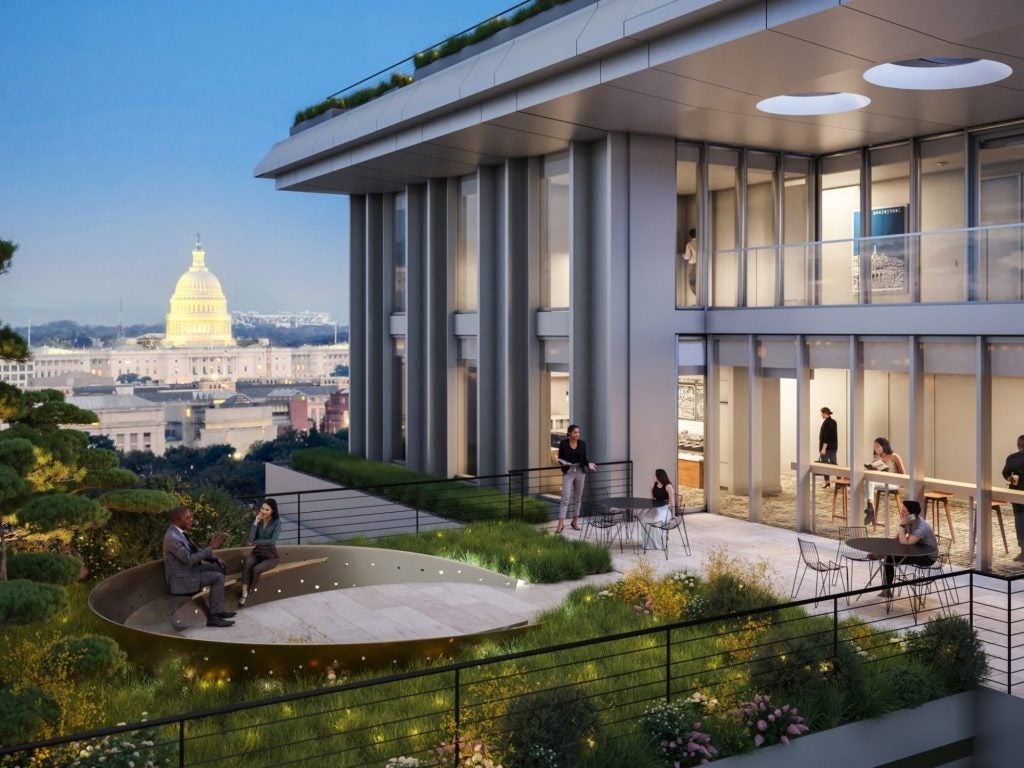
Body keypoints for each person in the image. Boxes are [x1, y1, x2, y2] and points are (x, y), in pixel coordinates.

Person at [162, 505, 235, 627]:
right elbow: (189, 559)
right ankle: (213, 618)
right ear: (177, 520)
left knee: (219, 568)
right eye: (188, 518)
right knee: (217, 577)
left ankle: (218, 610)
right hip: (182, 579)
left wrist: (215, 559)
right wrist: (211, 547)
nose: (191, 520)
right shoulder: (172, 538)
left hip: (189, 571)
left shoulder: (179, 533)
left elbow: (195, 551)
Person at [880, 500, 936, 597]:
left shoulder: (921, 527)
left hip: (928, 557)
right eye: (902, 510)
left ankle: (886, 590)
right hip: (916, 550)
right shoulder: (910, 522)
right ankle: (882, 555)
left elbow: (905, 543)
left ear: (912, 514)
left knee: (889, 559)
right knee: (889, 557)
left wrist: (902, 525)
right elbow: (897, 540)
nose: (902, 513)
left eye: (904, 511)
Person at [554, 424, 597, 533]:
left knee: (578, 498)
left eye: (578, 432)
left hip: (580, 472)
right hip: (568, 472)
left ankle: (575, 522)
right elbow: (560, 459)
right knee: (565, 498)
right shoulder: (563, 444)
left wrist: (589, 464)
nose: (577, 434)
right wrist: (564, 463)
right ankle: (560, 524)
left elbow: (584, 459)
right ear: (569, 433)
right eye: (575, 432)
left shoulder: (582, 444)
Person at [239, 498, 282, 606]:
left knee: (256, 569)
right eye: (262, 508)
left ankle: (251, 589)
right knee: (247, 563)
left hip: (270, 556)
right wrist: (255, 522)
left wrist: (256, 541)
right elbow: (251, 538)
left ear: (272, 511)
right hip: (257, 552)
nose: (263, 511)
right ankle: (244, 592)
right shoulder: (259, 520)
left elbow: (272, 540)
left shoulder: (277, 523)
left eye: (267, 510)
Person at [864, 437, 905, 525]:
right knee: (868, 480)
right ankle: (870, 506)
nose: (876, 448)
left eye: (877, 446)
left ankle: (870, 509)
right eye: (874, 446)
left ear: (884, 446)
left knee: (870, 482)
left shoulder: (894, 456)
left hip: (894, 483)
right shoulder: (877, 457)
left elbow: (903, 474)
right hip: (883, 482)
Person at [1001, 434, 1024, 562]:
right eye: (1019, 444)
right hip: (1016, 493)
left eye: (1023, 445)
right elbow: (1005, 472)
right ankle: (1023, 550)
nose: (1021, 447)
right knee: (1020, 523)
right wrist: (1009, 478)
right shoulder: (1012, 458)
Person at [640, 468, 675, 549]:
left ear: (659, 476)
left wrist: (673, 514)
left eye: (654, 475)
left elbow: (672, 502)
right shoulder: (655, 485)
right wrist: (651, 488)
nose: (653, 476)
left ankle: (659, 543)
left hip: (665, 509)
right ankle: (649, 543)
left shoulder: (668, 486)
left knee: (656, 520)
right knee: (644, 519)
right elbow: (652, 500)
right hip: (656, 508)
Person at [818, 407, 838, 488]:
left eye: (822, 413)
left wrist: (823, 449)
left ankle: (827, 482)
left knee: (825, 465)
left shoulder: (826, 423)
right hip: (834, 447)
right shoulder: (834, 422)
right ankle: (839, 481)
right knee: (834, 464)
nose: (821, 415)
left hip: (826, 448)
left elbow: (826, 437)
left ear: (825, 413)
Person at [682, 228, 698, 298]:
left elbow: (687, 256)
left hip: (693, 265)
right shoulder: (701, 243)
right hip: (702, 264)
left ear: (690, 236)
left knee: (692, 283)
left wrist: (683, 255)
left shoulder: (689, 244)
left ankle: (697, 297)